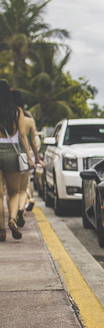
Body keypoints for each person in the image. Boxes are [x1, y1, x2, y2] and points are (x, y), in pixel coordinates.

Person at [0, 79, 35, 241]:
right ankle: (12, 219)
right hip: (11, 152)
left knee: (0, 195)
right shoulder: (17, 111)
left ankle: (1, 229)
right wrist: (29, 157)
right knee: (13, 192)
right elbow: (22, 135)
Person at [12, 90, 43, 228]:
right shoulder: (29, 121)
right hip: (24, 157)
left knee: (11, 191)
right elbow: (33, 143)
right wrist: (36, 159)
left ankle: (10, 217)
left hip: (7, 157)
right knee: (22, 190)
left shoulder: (5, 120)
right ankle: (20, 209)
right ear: (23, 105)